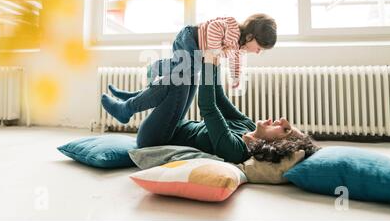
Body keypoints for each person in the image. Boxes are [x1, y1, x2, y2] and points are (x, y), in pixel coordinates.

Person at [101, 55, 320, 164]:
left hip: (155, 139)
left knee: (184, 78)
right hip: (174, 125)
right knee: (190, 73)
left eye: (285, 129)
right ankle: (134, 101)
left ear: (277, 144)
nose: (281, 119)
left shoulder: (236, 150)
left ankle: (128, 107)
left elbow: (208, 107)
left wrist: (209, 63)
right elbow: (219, 97)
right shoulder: (248, 125)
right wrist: (216, 61)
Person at [105, 14, 277, 124]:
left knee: (185, 75)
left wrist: (236, 76)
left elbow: (237, 60)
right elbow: (214, 26)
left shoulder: (238, 48)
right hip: (189, 38)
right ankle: (155, 67)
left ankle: (135, 97)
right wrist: (214, 51)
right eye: (259, 47)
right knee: (185, 68)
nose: (258, 52)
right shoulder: (233, 28)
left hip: (197, 52)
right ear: (250, 36)